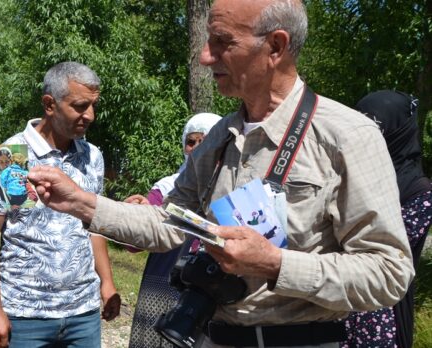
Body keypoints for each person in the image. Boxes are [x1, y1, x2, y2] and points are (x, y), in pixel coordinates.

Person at [27, 1, 414, 347]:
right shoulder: (217, 138)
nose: (204, 57)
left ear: (275, 47)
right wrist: (79, 201)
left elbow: (388, 273)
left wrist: (275, 264)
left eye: (221, 42)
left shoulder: (348, 137)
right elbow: (170, 223)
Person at [0, 61, 121, 348]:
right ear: (49, 104)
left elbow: (94, 226)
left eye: (93, 105)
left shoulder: (92, 156)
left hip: (83, 313)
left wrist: (106, 281)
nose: (89, 115)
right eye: (80, 106)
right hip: (26, 316)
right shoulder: (12, 157)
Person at [340, 90, 431, 348]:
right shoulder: (347, 173)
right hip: (332, 306)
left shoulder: (419, 193)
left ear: (397, 131)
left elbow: (373, 247)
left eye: (377, 128)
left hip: (376, 314)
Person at [127, 112, 221, 348]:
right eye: (191, 141)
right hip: (163, 285)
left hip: (209, 294)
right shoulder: (167, 188)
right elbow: (133, 245)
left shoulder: (234, 190)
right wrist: (136, 215)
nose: (197, 148)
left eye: (206, 140)